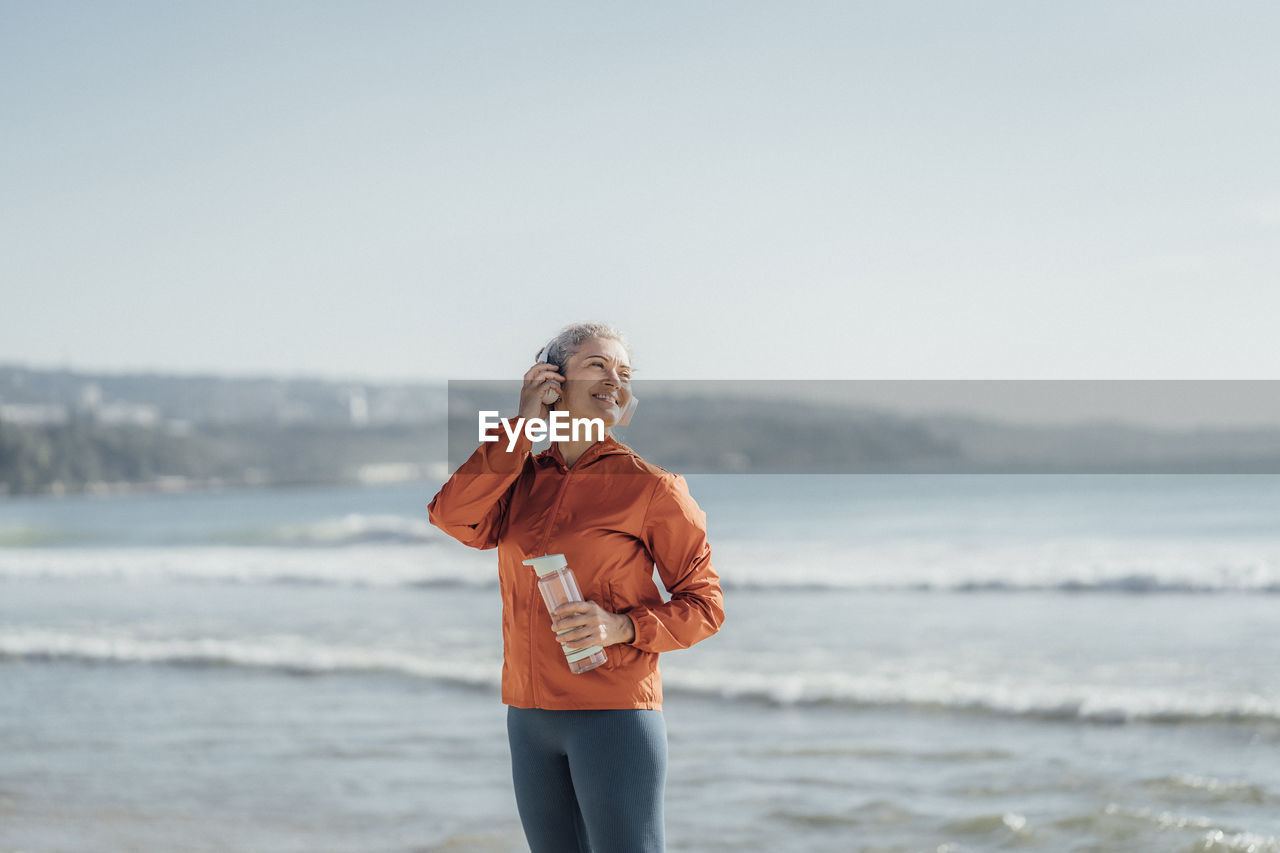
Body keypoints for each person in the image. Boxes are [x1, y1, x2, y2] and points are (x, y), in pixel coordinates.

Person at [428, 321, 725, 853]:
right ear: (552, 381)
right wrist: (521, 426)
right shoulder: (519, 480)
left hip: (612, 715)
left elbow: (705, 605)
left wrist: (622, 626)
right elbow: (452, 516)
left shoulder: (652, 488)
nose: (615, 380)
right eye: (598, 365)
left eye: (625, 372)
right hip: (529, 718)